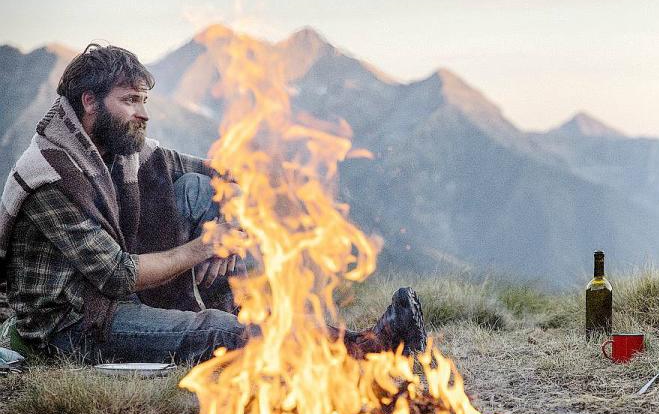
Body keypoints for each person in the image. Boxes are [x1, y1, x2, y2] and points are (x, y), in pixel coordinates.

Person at [0, 43, 426, 365]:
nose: (143, 113)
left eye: (144, 100)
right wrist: (205, 247)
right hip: (75, 323)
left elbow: (210, 172)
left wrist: (266, 189)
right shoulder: (52, 176)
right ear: (89, 103)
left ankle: (244, 308)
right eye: (130, 101)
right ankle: (362, 348)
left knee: (197, 189)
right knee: (213, 332)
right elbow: (117, 275)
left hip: (110, 292)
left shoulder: (114, 150)